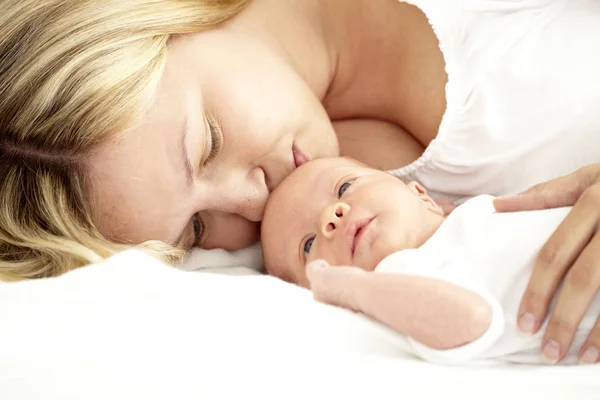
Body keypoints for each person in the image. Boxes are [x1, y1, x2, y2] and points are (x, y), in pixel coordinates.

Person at [1, 0, 599, 363]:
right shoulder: (332, 227)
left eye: (207, 141)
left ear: (170, 16)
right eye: (198, 228)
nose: (251, 201)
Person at [261, 157, 600, 365]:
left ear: (421, 194)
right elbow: (474, 318)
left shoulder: (481, 209)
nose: (329, 218)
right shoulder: (401, 274)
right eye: (308, 246)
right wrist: (353, 289)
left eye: (344, 186)